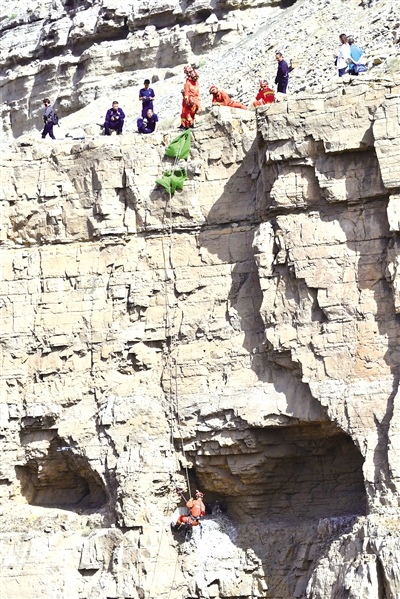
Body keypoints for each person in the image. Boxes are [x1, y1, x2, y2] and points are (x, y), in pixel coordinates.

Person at [180, 65, 200, 130]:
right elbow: (186, 90)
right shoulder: (188, 81)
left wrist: (198, 99)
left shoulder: (196, 82)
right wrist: (186, 98)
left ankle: (191, 123)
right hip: (188, 98)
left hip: (194, 98)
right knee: (185, 111)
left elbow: (197, 91)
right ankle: (184, 125)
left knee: (193, 111)